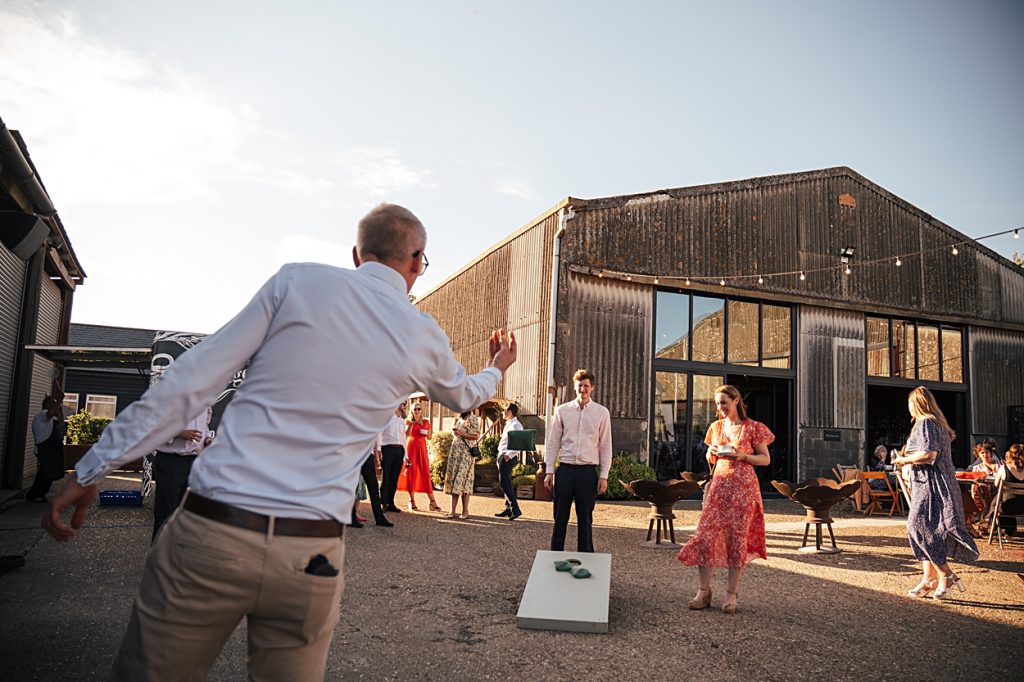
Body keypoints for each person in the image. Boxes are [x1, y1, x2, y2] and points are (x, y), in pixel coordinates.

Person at [42, 203, 517, 680]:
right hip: (309, 554)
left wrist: (90, 469)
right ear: (417, 260)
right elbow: (465, 395)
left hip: (213, 530)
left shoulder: (298, 282)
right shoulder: (422, 334)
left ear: (356, 254)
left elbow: (190, 379)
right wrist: (497, 366)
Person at [676, 384, 773, 615]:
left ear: (736, 401)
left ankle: (731, 594)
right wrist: (710, 454)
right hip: (719, 488)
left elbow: (765, 459)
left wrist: (743, 455)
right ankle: (704, 590)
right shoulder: (716, 427)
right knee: (705, 536)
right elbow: (711, 455)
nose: (720, 407)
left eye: (724, 403)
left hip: (743, 490)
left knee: (736, 539)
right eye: (718, 403)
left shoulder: (753, 428)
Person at [891, 386, 978, 600]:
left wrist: (903, 460)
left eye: (910, 403)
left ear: (917, 403)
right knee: (928, 528)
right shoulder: (936, 423)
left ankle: (944, 574)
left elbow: (929, 454)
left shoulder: (926, 423)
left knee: (918, 526)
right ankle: (928, 578)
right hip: (935, 482)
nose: (909, 408)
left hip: (931, 483)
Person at [543, 369, 612, 553]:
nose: (583, 389)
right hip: (565, 470)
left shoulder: (601, 413)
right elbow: (553, 442)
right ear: (575, 387)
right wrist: (549, 470)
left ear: (592, 388)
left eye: (586, 386)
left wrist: (603, 476)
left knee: (586, 520)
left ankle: (586, 560)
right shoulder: (562, 411)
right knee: (560, 518)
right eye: (580, 386)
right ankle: (555, 557)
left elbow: (605, 446)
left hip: (587, 472)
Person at [151, 407, 212, 540]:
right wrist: (178, 433)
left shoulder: (206, 400)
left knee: (188, 514)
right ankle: (160, 557)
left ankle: (177, 556)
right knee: (167, 512)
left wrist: (207, 439)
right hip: (172, 462)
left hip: (195, 461)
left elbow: (204, 426)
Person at [398, 403, 440, 511]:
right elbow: (406, 435)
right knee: (411, 473)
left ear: (422, 410)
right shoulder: (407, 421)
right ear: (411, 411)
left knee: (425, 473)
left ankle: (432, 501)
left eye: (418, 409)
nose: (417, 411)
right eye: (414, 409)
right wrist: (412, 424)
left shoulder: (426, 422)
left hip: (422, 449)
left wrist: (427, 433)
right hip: (411, 448)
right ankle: (411, 501)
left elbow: (430, 438)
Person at [26, 395, 65, 503]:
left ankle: (36, 494)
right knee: (46, 474)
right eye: (53, 405)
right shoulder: (42, 415)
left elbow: (60, 422)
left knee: (46, 473)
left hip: (51, 449)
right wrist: (59, 400)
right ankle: (36, 494)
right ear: (47, 406)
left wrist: (59, 409)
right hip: (45, 449)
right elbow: (49, 414)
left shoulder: (50, 419)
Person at [444, 410, 480, 518]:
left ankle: (465, 511)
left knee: (464, 481)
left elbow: (476, 436)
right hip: (456, 454)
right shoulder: (459, 418)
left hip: (465, 454)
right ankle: (452, 511)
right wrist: (456, 433)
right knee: (455, 479)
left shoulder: (472, 418)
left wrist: (462, 433)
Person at [376, 405, 407, 513]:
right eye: (403, 404)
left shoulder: (402, 420)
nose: (405, 406)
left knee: (394, 479)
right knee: (386, 477)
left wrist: (406, 456)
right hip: (387, 449)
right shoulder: (387, 418)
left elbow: (403, 438)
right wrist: (379, 449)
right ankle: (384, 503)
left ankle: (391, 503)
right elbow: (379, 434)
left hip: (399, 451)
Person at [495, 403, 524, 520]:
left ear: (510, 411)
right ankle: (508, 509)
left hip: (507, 457)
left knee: (504, 483)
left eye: (504, 410)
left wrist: (509, 455)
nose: (503, 412)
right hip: (502, 456)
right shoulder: (509, 424)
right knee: (506, 482)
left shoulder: (516, 425)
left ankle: (515, 509)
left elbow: (519, 442)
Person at [351, 449, 392, 528]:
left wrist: (377, 453)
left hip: (367, 454)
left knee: (373, 486)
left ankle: (379, 518)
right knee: (353, 487)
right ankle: (351, 518)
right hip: (353, 454)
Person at [993, 443, 1024, 536]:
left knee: (998, 504)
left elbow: (996, 485)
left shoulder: (1004, 468)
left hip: (1008, 507)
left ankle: (1006, 530)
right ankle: (1008, 530)